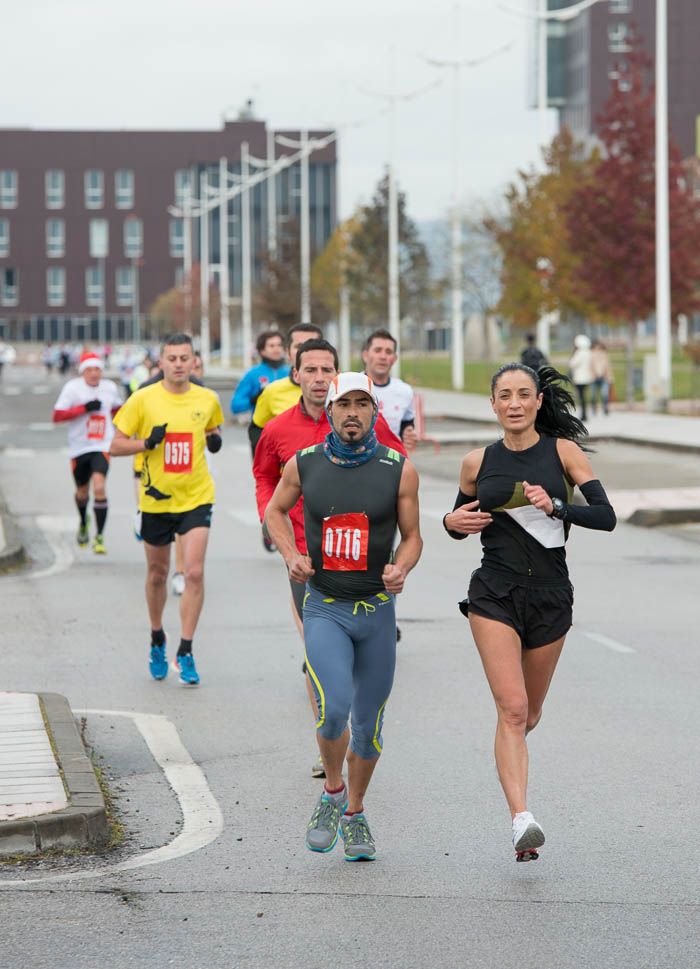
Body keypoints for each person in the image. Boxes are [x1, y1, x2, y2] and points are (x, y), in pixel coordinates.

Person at [442, 363, 616, 862]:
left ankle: (508, 753)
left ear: (539, 402)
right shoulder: (477, 462)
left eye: (524, 395)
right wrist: (450, 521)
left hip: (551, 595)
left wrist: (557, 507)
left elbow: (605, 518)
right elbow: (460, 521)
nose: (514, 403)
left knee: (527, 714)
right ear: (492, 404)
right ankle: (522, 817)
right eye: (504, 395)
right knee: (513, 708)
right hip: (493, 593)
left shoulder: (563, 453)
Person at [265, 372, 422, 860]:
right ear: (328, 411)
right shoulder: (304, 464)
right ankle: (332, 792)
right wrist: (290, 554)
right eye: (343, 404)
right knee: (333, 708)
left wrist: (402, 566)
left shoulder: (399, 468)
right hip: (326, 607)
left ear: (375, 410)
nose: (352, 412)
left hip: (376, 610)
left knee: (369, 727)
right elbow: (274, 512)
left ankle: (355, 813)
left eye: (362, 404)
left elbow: (413, 536)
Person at [253, 340, 406, 777]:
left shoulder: (364, 424)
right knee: (319, 653)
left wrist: (399, 560)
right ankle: (329, 735)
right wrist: (283, 543)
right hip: (307, 558)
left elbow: (395, 471)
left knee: (359, 678)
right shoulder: (281, 430)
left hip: (367, 570)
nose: (319, 377)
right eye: (312, 369)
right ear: (296, 374)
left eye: (327, 369)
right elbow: (267, 480)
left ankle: (340, 740)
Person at [111, 333, 224, 686]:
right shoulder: (143, 400)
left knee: (193, 573)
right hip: (156, 500)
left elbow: (212, 428)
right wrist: (147, 443)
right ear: (160, 363)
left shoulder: (207, 398)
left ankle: (186, 649)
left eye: (184, 358)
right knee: (158, 574)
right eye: (171, 358)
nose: (178, 364)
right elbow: (114, 446)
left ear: (193, 362)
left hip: (196, 496)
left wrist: (214, 439)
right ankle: (157, 637)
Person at [52, 351, 123, 553]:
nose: (94, 373)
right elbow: (57, 416)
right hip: (79, 447)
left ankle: (99, 536)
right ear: (83, 372)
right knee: (82, 493)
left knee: (99, 487)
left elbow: (118, 410)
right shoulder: (72, 389)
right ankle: (83, 521)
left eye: (97, 369)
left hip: (102, 445)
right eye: (90, 370)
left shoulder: (109, 388)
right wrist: (84, 408)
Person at [249, 323, 323, 455]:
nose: (306, 352)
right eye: (299, 346)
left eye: (313, 345)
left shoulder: (339, 389)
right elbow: (256, 431)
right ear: (288, 352)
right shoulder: (272, 391)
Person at [230, 330, 289, 456]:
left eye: (279, 345)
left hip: (289, 432)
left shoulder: (291, 373)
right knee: (265, 475)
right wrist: (254, 399)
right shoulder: (252, 374)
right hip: (262, 432)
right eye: (272, 346)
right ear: (262, 351)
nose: (277, 349)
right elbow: (235, 405)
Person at [361, 328, 418, 452]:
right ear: (365, 355)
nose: (383, 356)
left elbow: (407, 424)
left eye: (388, 352)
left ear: (395, 358)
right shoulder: (353, 386)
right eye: (377, 350)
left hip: (391, 461)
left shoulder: (405, 391)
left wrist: (408, 434)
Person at [569, 334, 593, 422]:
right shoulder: (589, 352)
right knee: (584, 396)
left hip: (579, 378)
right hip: (587, 377)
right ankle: (584, 413)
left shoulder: (579, 353)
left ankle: (584, 414)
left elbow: (572, 364)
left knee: (581, 396)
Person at [590, 340, 613, 416]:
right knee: (593, 395)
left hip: (604, 378)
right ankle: (594, 409)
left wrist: (610, 378)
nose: (598, 349)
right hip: (594, 377)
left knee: (604, 394)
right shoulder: (591, 355)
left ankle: (605, 408)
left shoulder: (604, 355)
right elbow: (589, 366)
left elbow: (608, 367)